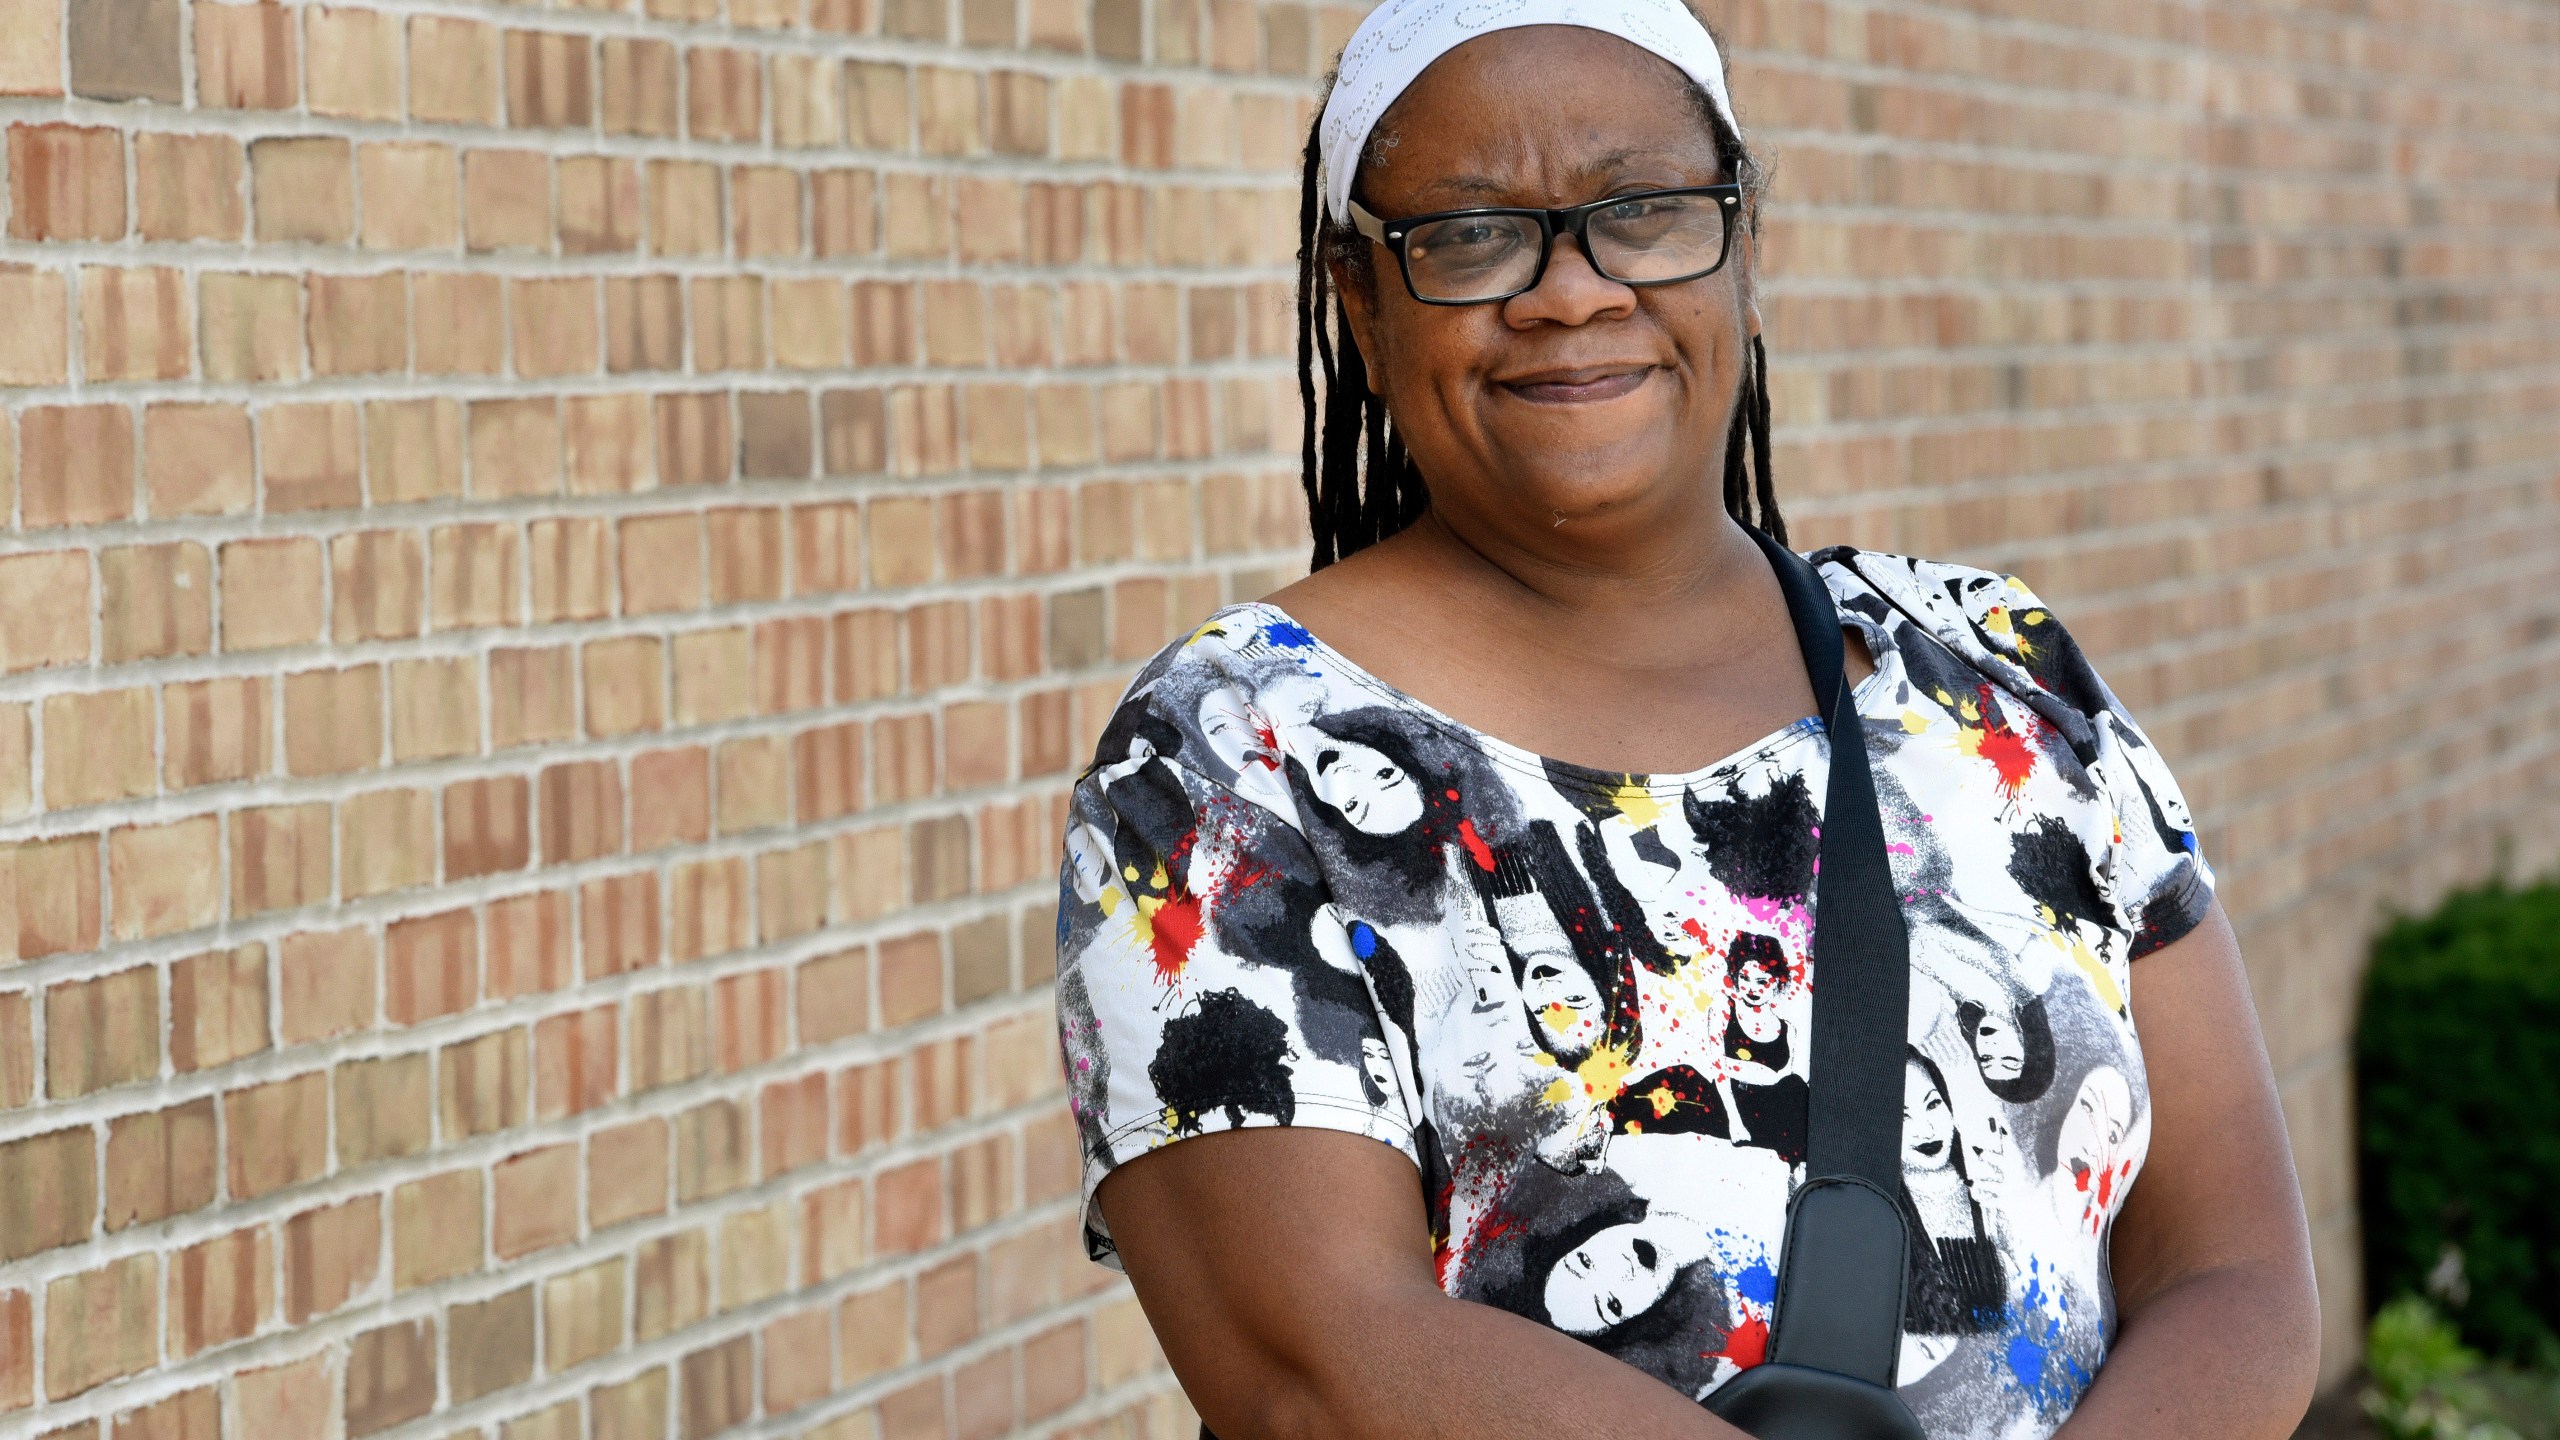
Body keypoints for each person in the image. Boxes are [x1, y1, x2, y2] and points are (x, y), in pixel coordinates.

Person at [1050, 2, 2319, 1437]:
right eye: (1472, 237)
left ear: (1745, 245)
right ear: (1360, 295)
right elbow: (1318, 1366)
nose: (1571, 293)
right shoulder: (1231, 760)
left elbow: (2236, 1270)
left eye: (1642, 213)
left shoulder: (1992, 670)